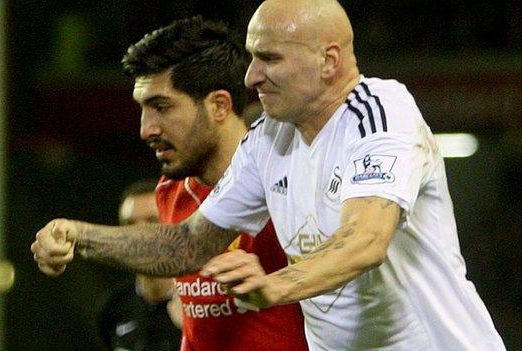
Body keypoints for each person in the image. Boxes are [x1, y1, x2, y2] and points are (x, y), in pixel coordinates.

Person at [31, 1, 506, 350]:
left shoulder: (381, 112)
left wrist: (274, 286)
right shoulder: (267, 138)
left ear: (330, 61)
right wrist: (79, 236)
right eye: (253, 57)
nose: (251, 76)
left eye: (270, 58)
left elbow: (366, 238)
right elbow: (186, 245)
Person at [35, 16, 307, 351]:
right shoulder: (171, 191)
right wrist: (72, 235)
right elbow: (178, 250)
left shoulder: (288, 179)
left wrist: (81, 236)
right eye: (143, 109)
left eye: (161, 107)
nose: (146, 129)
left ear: (219, 105)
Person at [98, 179, 181, 351]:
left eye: (153, 221)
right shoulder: (114, 307)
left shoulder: (203, 305)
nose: (139, 234)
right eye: (129, 224)